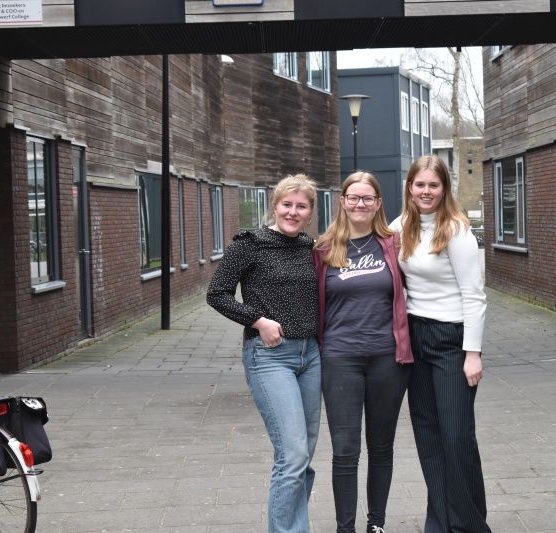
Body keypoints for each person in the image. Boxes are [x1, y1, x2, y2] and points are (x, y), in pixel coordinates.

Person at [207, 174, 321, 533]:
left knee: (303, 457)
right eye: (287, 204)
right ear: (275, 205)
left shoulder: (310, 247)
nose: (293, 211)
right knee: (293, 455)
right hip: (270, 356)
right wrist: (258, 320)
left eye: (301, 206)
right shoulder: (250, 243)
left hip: (311, 356)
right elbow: (217, 293)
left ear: (310, 212)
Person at [389, 155, 490, 533]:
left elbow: (474, 296)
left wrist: (472, 353)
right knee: (428, 435)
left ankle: (469, 525)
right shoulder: (401, 227)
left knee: (457, 438)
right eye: (420, 185)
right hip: (415, 338)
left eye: (433, 185)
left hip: (452, 340)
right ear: (410, 188)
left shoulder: (458, 230)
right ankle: (440, 522)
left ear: (444, 188)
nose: (426, 192)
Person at [313, 172, 412, 533]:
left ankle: (376, 525)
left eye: (367, 198)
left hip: (388, 358)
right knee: (345, 449)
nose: (360, 204)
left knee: (381, 445)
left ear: (378, 204)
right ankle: (345, 528)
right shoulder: (323, 250)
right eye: (353, 197)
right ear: (342, 201)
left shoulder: (394, 245)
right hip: (339, 359)